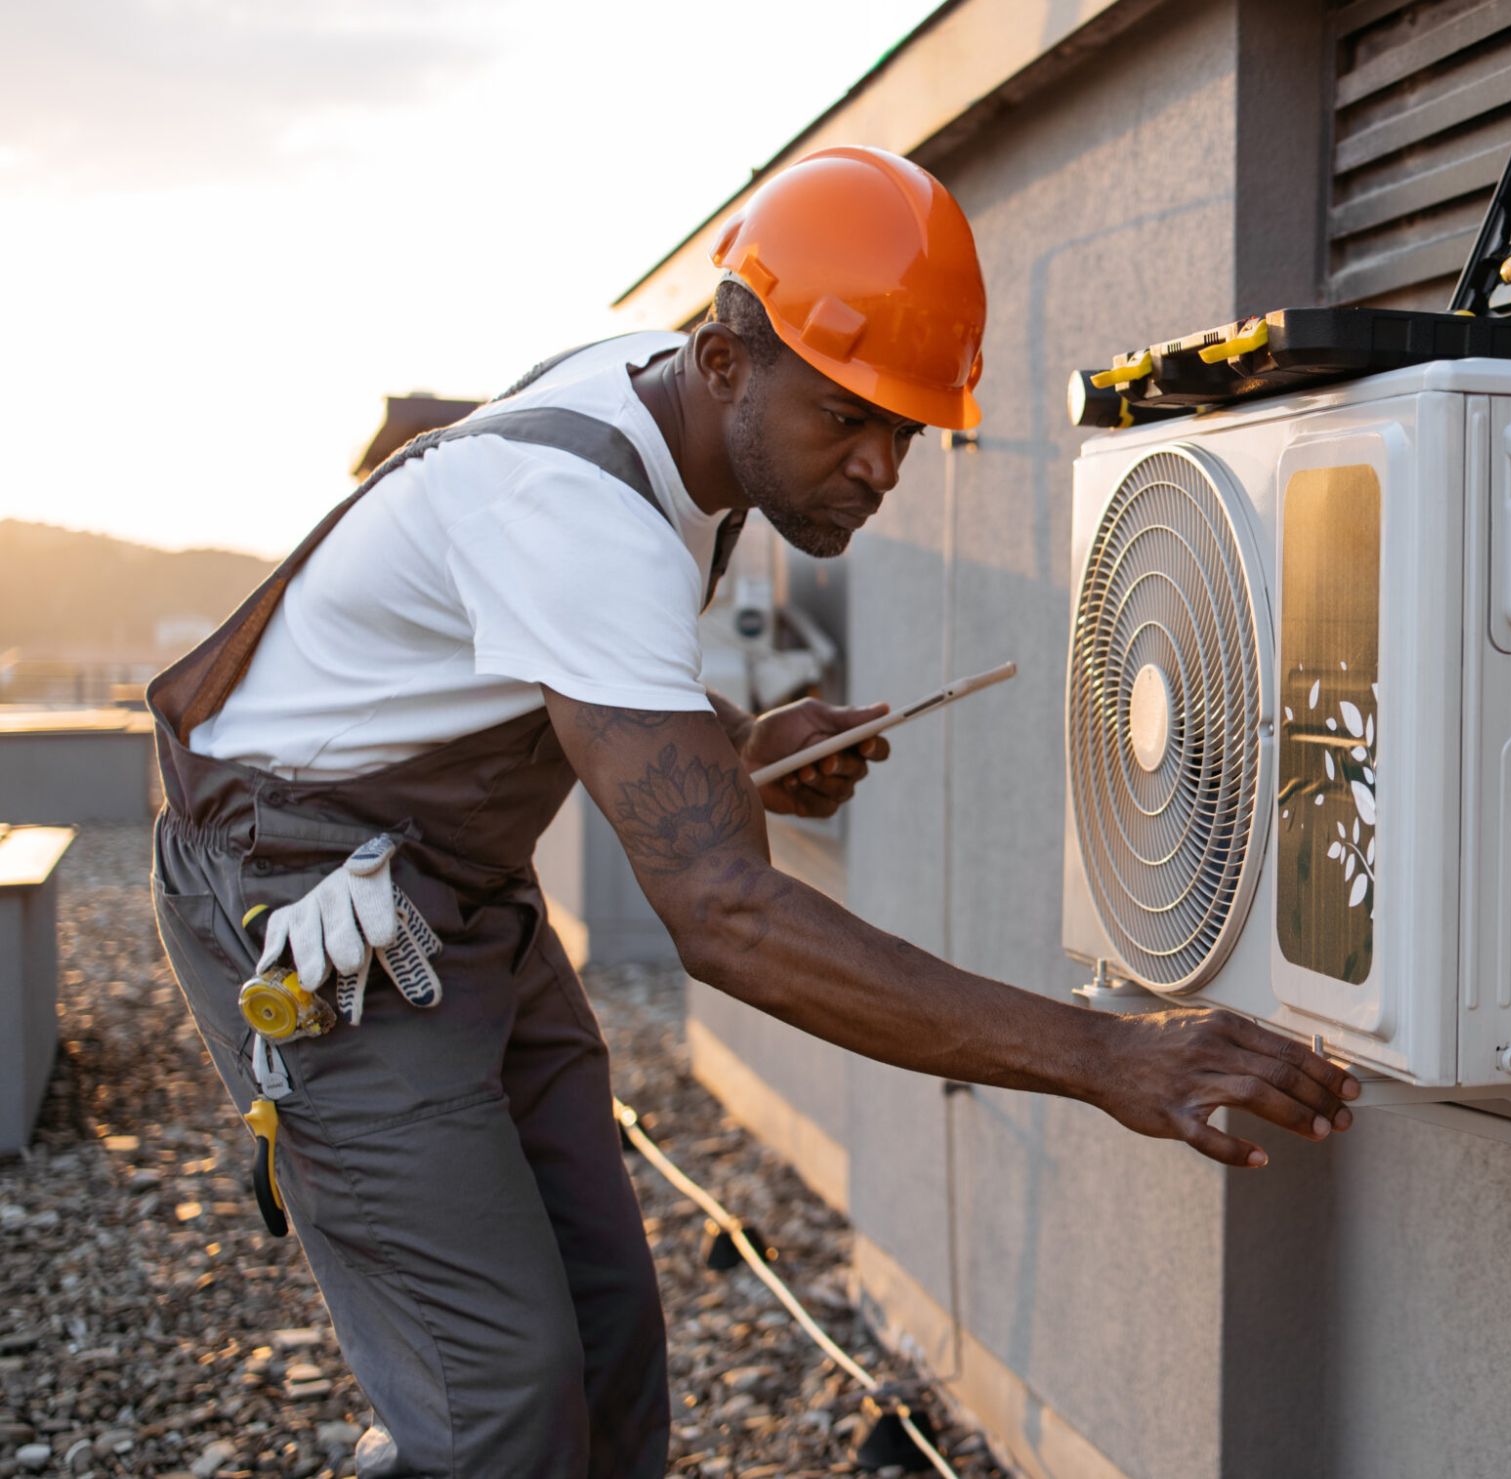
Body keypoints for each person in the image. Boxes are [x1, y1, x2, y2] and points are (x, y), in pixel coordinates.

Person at [145, 145, 1356, 1479]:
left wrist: (737, 742)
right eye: (848, 416)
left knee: (606, 1337)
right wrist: (1112, 1056)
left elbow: (584, 665)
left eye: (905, 429)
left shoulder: (678, 441)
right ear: (725, 362)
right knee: (495, 1395)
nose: (882, 466)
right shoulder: (580, 504)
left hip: (451, 881)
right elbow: (725, 919)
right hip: (300, 889)